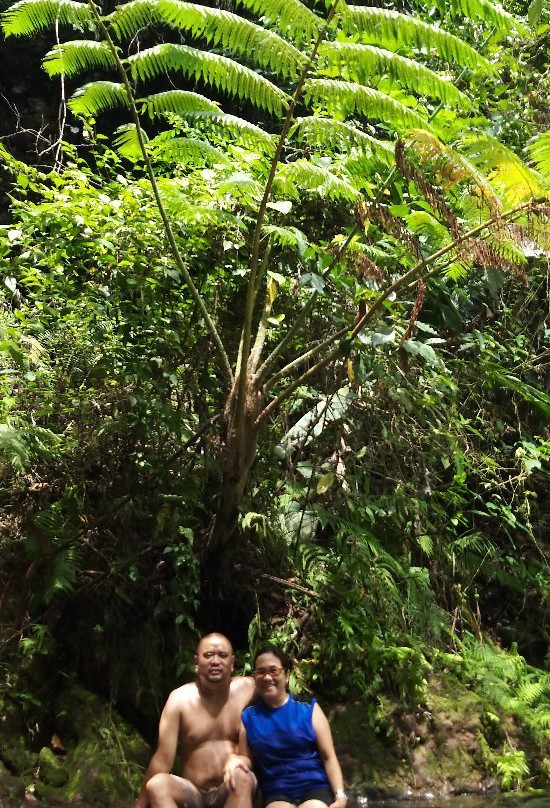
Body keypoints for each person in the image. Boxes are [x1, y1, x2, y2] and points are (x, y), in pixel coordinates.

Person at [135, 632, 256, 808]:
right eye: (208, 655)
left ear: (232, 663)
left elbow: (280, 696)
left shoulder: (248, 688)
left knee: (242, 776)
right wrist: (140, 805)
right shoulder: (180, 699)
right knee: (157, 785)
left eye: (222, 655)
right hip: (193, 793)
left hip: (231, 786)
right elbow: (163, 759)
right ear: (196, 663)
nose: (215, 661)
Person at [225, 645, 348, 808]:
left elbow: (328, 756)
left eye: (273, 671)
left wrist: (340, 796)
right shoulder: (249, 717)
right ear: (254, 677)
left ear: (287, 674)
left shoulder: (308, 708)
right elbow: (246, 759)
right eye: (261, 672)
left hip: (315, 786)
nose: (267, 677)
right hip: (276, 791)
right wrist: (234, 760)